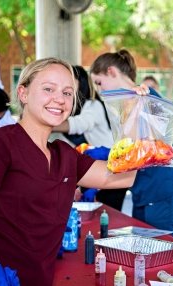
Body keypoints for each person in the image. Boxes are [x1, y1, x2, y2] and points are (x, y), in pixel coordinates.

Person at [0, 57, 137, 286]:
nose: (59, 99)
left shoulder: (65, 155)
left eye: (68, 93)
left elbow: (125, 177)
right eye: (48, 89)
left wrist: (133, 113)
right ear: (23, 93)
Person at [90, 49, 173, 238]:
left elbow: (153, 145)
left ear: (111, 72)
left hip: (163, 193)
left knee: (159, 252)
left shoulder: (145, 96)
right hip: (143, 192)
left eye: (99, 83)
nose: (99, 90)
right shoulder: (126, 103)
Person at [52, 65, 127, 211]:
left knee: (107, 218)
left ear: (81, 82)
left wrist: (45, 122)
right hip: (94, 168)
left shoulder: (94, 104)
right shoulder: (70, 107)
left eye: (70, 80)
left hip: (110, 167)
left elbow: (79, 125)